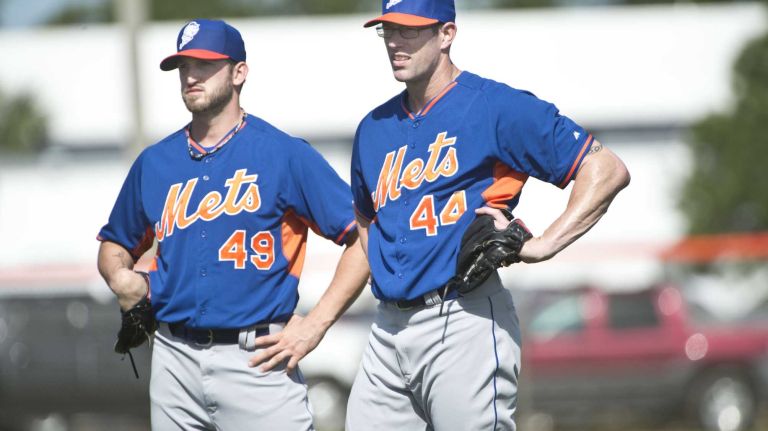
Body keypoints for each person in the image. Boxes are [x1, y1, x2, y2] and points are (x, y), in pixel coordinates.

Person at [346, 1, 631, 429]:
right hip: (387, 328)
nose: (395, 42)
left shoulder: (494, 107)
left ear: (446, 34)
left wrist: (542, 245)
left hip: (463, 318)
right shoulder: (374, 127)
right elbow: (366, 215)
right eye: (387, 29)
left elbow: (605, 169)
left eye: (409, 30)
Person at [96, 19, 369, 430]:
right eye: (183, 66)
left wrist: (315, 325)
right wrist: (120, 276)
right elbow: (115, 244)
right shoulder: (155, 162)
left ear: (239, 72)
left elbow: (363, 240)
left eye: (204, 65)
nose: (191, 76)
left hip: (257, 359)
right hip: (173, 360)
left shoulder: (283, 154)